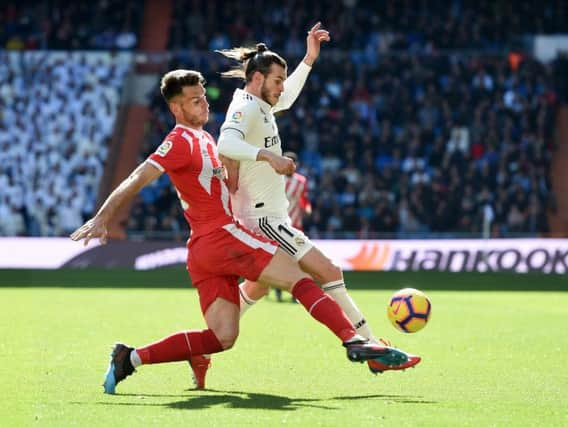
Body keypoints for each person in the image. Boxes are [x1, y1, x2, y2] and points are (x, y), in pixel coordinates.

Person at [70, 69, 418, 394]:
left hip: (204, 251)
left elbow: (224, 182)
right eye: (194, 100)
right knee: (300, 278)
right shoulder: (180, 142)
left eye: (205, 96)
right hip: (222, 237)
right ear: (175, 107)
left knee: (222, 336)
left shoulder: (205, 138)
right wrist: (103, 218)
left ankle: (129, 358)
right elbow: (137, 177)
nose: (204, 103)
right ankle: (353, 340)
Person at [216, 23, 420, 375]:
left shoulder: (259, 105)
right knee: (328, 270)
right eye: (277, 80)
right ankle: (372, 347)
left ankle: (206, 343)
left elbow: (289, 97)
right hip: (264, 219)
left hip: (266, 215)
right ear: (257, 78)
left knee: (258, 288)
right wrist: (270, 158)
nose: (281, 88)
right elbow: (225, 144)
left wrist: (309, 58)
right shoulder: (245, 107)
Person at [275, 150, 311, 301]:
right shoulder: (276, 178)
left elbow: (304, 199)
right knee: (279, 258)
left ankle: (294, 292)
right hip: (277, 225)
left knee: (296, 259)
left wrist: (308, 208)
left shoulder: (301, 181)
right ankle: (278, 288)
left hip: (296, 225)